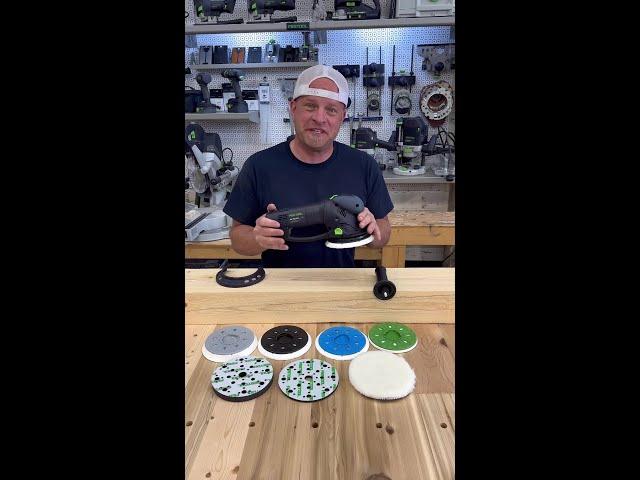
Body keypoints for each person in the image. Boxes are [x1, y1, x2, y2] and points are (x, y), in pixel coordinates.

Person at [223, 65, 394, 268]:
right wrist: (256, 237)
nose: (319, 118)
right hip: (278, 285)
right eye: (310, 106)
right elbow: (237, 238)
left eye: (331, 110)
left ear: (342, 116)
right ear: (293, 108)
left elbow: (384, 231)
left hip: (341, 283)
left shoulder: (364, 166)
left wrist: (371, 230)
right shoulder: (258, 166)